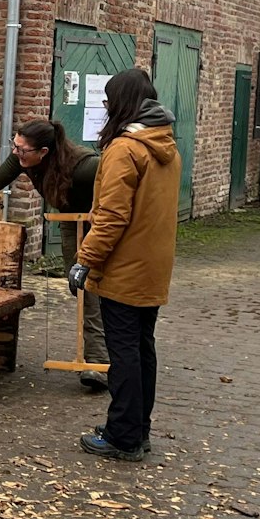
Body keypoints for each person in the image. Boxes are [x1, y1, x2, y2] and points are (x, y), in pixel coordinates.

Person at [0, 118, 106, 390]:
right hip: (72, 220)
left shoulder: (85, 166)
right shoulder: (23, 159)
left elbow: (118, 182)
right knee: (79, 285)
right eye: (14, 145)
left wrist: (102, 208)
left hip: (101, 223)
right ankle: (101, 356)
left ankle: (99, 362)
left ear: (43, 153)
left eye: (22, 149)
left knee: (95, 285)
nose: (16, 152)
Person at [66, 69, 180, 463]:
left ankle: (123, 436)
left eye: (108, 100)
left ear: (120, 103)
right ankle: (137, 429)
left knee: (124, 354)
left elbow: (111, 217)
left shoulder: (124, 150)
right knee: (142, 349)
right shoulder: (165, 144)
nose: (105, 107)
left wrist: (84, 260)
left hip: (124, 268)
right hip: (153, 266)